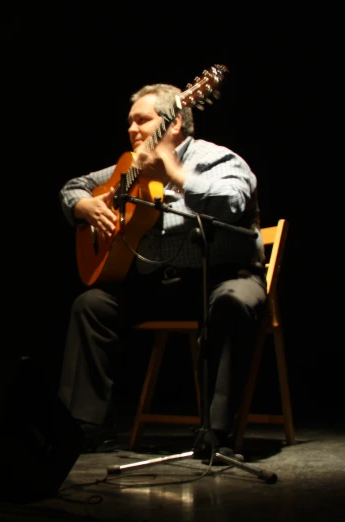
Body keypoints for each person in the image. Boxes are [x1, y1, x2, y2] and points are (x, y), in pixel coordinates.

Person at [57, 83, 265, 457]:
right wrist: (82, 206)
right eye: (130, 122)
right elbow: (75, 186)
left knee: (233, 304)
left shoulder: (219, 159)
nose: (133, 130)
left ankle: (216, 434)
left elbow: (232, 203)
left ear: (174, 125)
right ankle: (88, 429)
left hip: (224, 276)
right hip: (162, 282)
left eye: (143, 121)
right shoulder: (130, 167)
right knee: (91, 305)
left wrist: (174, 173)